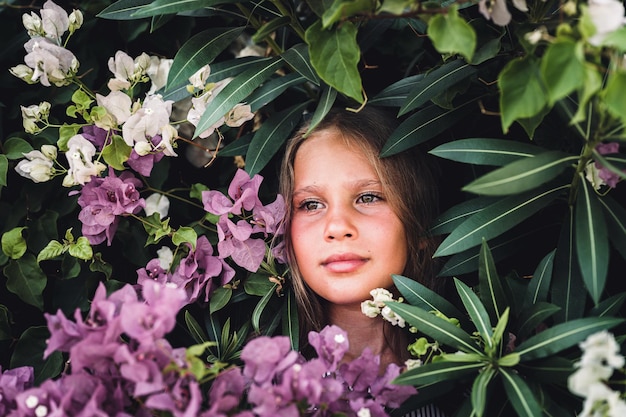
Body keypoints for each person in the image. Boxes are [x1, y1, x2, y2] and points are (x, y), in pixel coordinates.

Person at [279, 106, 446, 417]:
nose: (337, 227)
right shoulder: (260, 384)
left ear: (420, 224)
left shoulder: (470, 378)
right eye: (311, 204)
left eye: (368, 197)